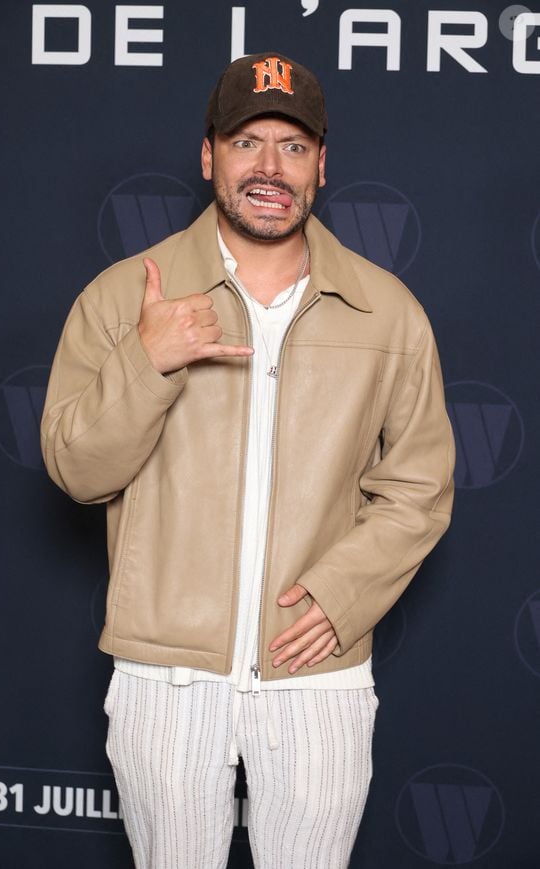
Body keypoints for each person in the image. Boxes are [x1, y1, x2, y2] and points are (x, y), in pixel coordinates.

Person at [41, 52, 455, 869]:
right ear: (208, 155)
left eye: (294, 147)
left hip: (317, 676)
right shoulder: (124, 299)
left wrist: (342, 595)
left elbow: (418, 485)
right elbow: (77, 469)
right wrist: (148, 361)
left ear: (322, 166)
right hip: (166, 677)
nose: (270, 167)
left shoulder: (389, 312)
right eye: (247, 142)